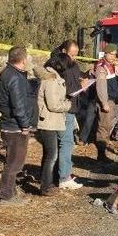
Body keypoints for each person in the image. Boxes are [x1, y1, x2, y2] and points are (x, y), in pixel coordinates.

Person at [0, 46, 36, 206]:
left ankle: (11, 193)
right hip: (14, 126)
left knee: (13, 162)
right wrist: (25, 125)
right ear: (24, 60)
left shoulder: (8, 73)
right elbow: (18, 105)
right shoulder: (14, 77)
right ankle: (6, 197)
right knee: (14, 164)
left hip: (10, 124)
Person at [36, 53, 72, 196]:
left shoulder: (51, 77)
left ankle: (47, 182)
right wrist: (67, 104)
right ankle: (45, 186)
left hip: (51, 121)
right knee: (51, 155)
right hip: (48, 121)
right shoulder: (50, 80)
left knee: (48, 154)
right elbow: (53, 104)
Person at [55, 40, 87, 188]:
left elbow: (75, 77)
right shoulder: (60, 65)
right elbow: (67, 88)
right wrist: (80, 86)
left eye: (76, 55)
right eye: (72, 54)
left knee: (67, 142)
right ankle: (64, 177)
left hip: (72, 107)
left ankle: (65, 173)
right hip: (66, 108)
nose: (74, 58)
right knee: (66, 142)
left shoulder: (72, 64)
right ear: (63, 51)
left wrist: (85, 77)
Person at [94, 43, 118, 162]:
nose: (113, 57)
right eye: (111, 54)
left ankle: (103, 151)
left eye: (115, 54)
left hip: (111, 99)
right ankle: (101, 154)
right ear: (106, 53)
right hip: (106, 100)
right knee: (103, 127)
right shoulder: (102, 67)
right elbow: (101, 87)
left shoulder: (110, 66)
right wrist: (104, 103)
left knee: (107, 126)